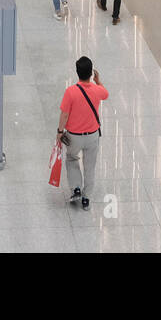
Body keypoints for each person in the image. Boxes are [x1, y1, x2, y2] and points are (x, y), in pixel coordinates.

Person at [57, 57, 108, 211]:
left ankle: (76, 188)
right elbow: (105, 93)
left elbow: (64, 115)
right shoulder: (98, 90)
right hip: (92, 135)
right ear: (91, 73)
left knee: (72, 159)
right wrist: (98, 81)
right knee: (90, 166)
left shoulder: (70, 92)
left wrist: (60, 132)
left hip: (74, 136)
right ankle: (86, 198)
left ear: (77, 72)